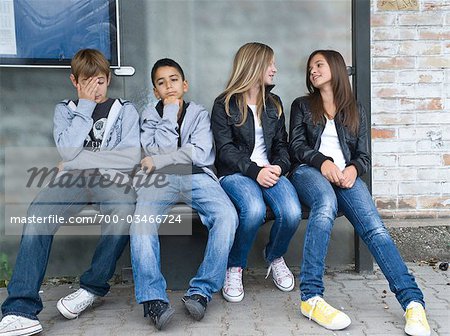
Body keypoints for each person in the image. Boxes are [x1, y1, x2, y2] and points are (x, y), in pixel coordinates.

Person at [289, 49, 430, 336]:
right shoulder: (302, 106)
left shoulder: (355, 109)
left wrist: (353, 169)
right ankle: (311, 298)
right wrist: (322, 162)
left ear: (336, 68)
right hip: (308, 172)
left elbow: (363, 155)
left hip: (345, 177)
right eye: (310, 67)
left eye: (319, 65)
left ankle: (413, 301)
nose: (312, 70)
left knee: (375, 229)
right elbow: (296, 146)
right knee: (325, 205)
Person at [0, 49, 141, 336]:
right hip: (73, 182)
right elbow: (66, 150)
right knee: (38, 214)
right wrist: (85, 107)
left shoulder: (125, 109)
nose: (95, 89)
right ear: (74, 82)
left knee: (124, 211)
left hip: (111, 181)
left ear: (109, 79)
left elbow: (129, 158)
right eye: (87, 83)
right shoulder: (65, 110)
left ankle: (92, 287)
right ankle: (19, 309)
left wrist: (78, 161)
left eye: (100, 82)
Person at [130, 58, 238, 330]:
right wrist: (168, 112)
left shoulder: (199, 113)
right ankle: (153, 298)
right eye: (161, 82)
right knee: (141, 223)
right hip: (159, 179)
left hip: (197, 176)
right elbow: (158, 150)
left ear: (185, 84)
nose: (168, 86)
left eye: (174, 79)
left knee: (226, 216)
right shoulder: (149, 115)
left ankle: (201, 291)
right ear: (155, 91)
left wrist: (161, 158)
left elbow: (200, 153)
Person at [211, 42, 302, 303]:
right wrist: (254, 171)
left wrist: (279, 167)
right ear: (254, 66)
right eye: (270, 64)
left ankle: (274, 255)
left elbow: (282, 146)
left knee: (292, 212)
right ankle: (235, 265)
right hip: (237, 174)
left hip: (270, 172)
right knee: (253, 210)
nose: (275, 69)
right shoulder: (225, 103)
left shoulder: (273, 104)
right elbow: (225, 149)